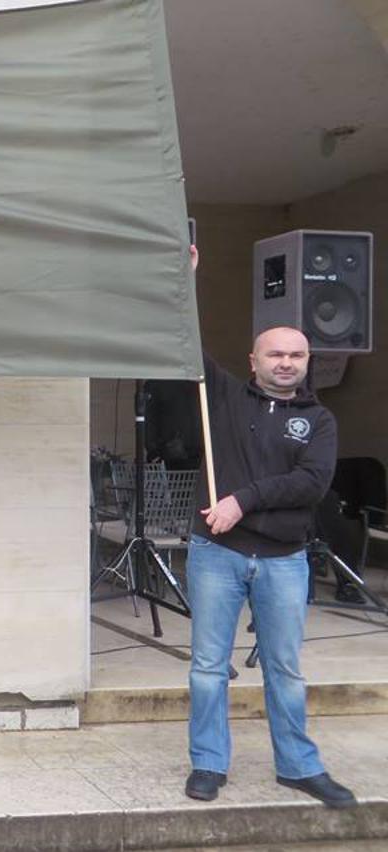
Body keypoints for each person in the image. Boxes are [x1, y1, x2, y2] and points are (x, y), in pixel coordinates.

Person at [185, 248, 355, 809]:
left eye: (296, 354)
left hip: (284, 560)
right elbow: (183, 342)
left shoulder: (320, 420)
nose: (286, 362)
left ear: (307, 361)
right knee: (209, 667)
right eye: (275, 354)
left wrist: (242, 500)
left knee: (285, 669)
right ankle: (208, 763)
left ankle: (299, 767)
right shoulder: (225, 397)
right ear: (253, 360)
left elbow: (311, 483)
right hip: (217, 554)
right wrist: (184, 281)